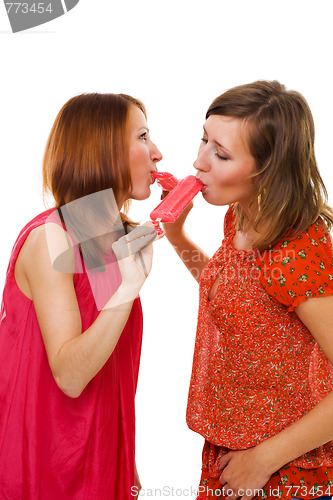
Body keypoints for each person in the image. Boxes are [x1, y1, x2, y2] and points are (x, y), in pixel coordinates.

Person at [162, 81, 333, 500]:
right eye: (204, 140)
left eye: (220, 153)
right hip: (233, 452)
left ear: (267, 170)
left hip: (287, 470)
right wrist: (176, 235)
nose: (198, 162)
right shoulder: (240, 216)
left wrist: (263, 459)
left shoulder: (296, 254)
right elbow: (233, 295)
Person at [0, 93, 163, 499]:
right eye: (143, 136)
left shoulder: (111, 235)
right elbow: (70, 377)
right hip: (47, 468)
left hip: (102, 459)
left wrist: (127, 461)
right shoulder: (50, 237)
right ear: (102, 151)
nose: (158, 153)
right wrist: (128, 288)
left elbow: (108, 367)